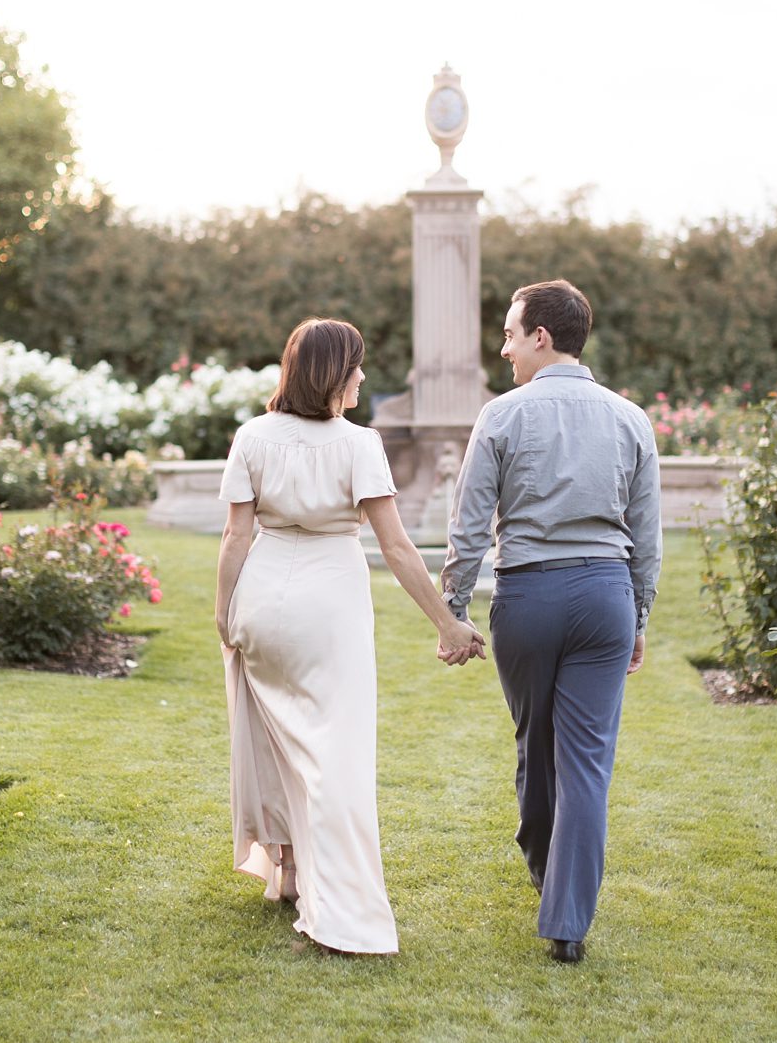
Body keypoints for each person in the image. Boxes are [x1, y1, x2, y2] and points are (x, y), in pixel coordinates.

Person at [215, 317, 486, 954]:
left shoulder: (253, 435)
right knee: (335, 757)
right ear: (334, 374)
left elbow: (235, 537)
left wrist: (225, 614)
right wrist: (447, 622)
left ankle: (287, 877)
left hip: (262, 594)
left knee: (275, 739)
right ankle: (340, 905)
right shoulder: (359, 444)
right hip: (328, 605)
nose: (363, 376)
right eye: (357, 366)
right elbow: (393, 545)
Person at [440, 278, 660, 965]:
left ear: (541, 335)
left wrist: (454, 607)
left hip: (529, 596)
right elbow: (645, 534)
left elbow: (470, 522)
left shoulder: (501, 417)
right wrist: (639, 612)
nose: (503, 348)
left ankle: (544, 868)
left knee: (537, 745)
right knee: (587, 761)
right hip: (605, 596)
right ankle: (567, 919)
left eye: (509, 333)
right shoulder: (631, 419)